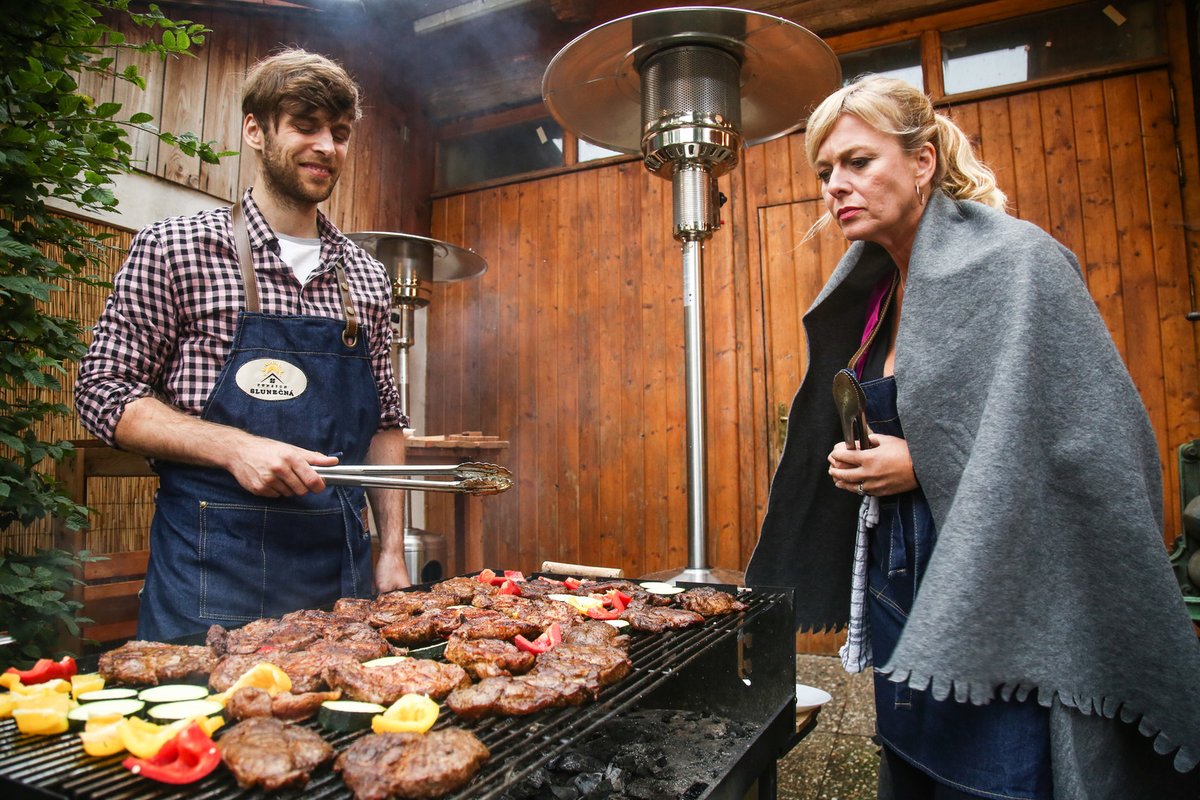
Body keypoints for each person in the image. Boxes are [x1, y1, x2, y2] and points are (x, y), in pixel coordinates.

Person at [745, 75, 1200, 799]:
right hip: (905, 603)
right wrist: (860, 455)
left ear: (923, 162)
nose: (835, 185)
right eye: (824, 171)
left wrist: (923, 464)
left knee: (991, 784)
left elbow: (1098, 448)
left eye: (858, 162)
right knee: (912, 776)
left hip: (1000, 610)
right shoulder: (879, 294)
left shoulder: (1020, 264)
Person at [75, 49, 412, 642]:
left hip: (338, 569)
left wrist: (392, 551)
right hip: (211, 567)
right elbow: (104, 392)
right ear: (255, 130)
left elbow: (385, 422)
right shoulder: (177, 247)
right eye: (305, 126)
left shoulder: (365, 276)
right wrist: (234, 447)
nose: (326, 147)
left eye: (339, 132)